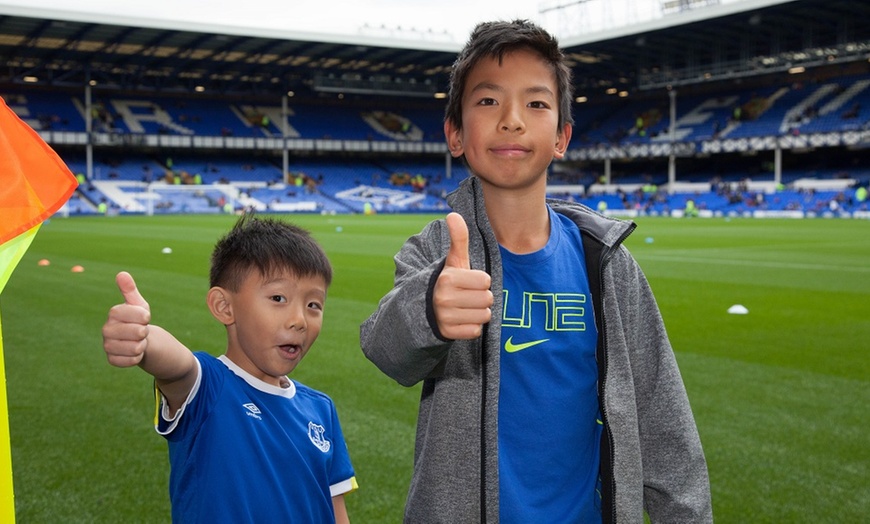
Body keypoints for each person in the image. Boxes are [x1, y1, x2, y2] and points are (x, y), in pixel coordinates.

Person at [360, 19, 711, 523]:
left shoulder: (607, 265)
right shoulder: (437, 251)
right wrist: (429, 310)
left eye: (536, 103)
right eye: (487, 101)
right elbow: (385, 349)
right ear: (455, 134)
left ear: (563, 136)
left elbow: (664, 424)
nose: (512, 120)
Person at [102, 214, 356, 523]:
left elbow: (334, 509)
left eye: (313, 305)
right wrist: (143, 340)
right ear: (224, 307)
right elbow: (177, 365)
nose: (300, 320)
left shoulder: (321, 409)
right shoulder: (210, 387)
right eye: (278, 298)